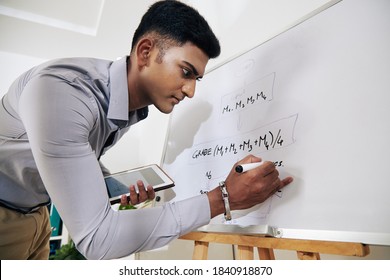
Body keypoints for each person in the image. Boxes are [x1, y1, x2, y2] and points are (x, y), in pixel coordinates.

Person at [0, 0, 293, 260]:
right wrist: (221, 199)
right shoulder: (62, 94)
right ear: (145, 52)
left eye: (197, 79)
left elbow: (66, 153)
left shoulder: (127, 107)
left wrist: (106, 183)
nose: (190, 91)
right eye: (186, 72)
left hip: (37, 214)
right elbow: (97, 239)